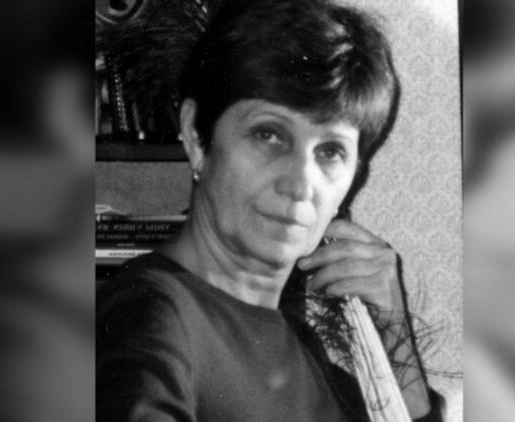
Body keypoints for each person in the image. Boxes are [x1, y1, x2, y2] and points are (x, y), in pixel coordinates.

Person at [97, 0, 445, 420]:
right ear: (195, 135)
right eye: (269, 135)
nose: (300, 183)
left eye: (330, 151)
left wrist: (393, 329)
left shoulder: (300, 345)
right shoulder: (151, 314)